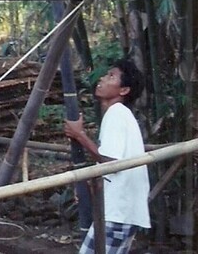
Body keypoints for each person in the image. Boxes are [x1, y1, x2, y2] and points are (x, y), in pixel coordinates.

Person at [64, 58, 150, 254]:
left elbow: (111, 161)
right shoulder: (121, 115)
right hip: (122, 211)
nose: (102, 78)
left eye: (111, 76)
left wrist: (80, 135)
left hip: (118, 213)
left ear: (124, 90)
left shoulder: (116, 114)